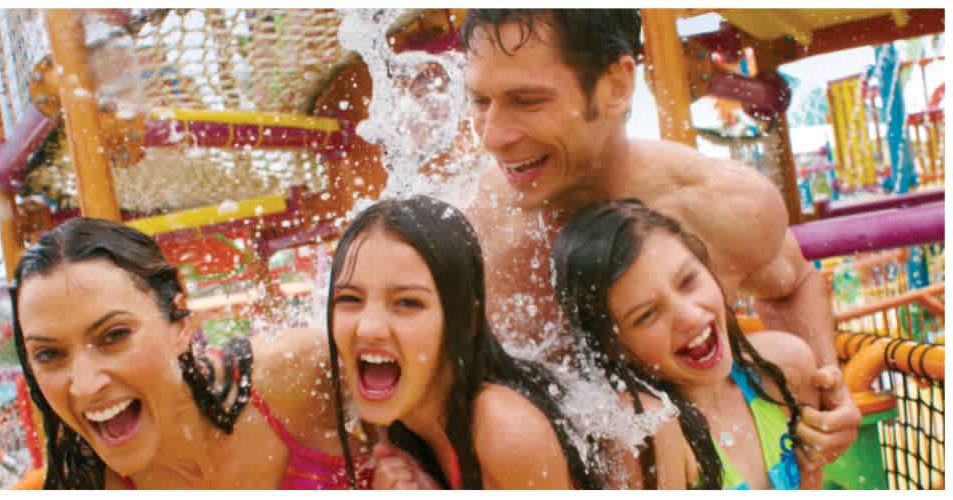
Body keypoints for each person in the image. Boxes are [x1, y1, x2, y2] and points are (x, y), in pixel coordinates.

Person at [458, 8, 858, 467]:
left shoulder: (717, 205)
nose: (492, 136)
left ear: (616, 84)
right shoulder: (474, 234)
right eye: (480, 102)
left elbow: (792, 283)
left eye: (527, 101)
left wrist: (828, 388)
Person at [10, 217, 370, 489]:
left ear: (181, 324)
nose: (86, 386)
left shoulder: (298, 375)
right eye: (49, 354)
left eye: (114, 336)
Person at [325, 196, 604, 489]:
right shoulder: (375, 401)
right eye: (350, 299)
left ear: (467, 321)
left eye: (407, 302)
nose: (368, 329)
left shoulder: (507, 430)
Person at [552, 199, 823, 489]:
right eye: (647, 314)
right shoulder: (646, 434)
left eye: (688, 280)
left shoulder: (784, 369)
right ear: (612, 347)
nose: (691, 316)